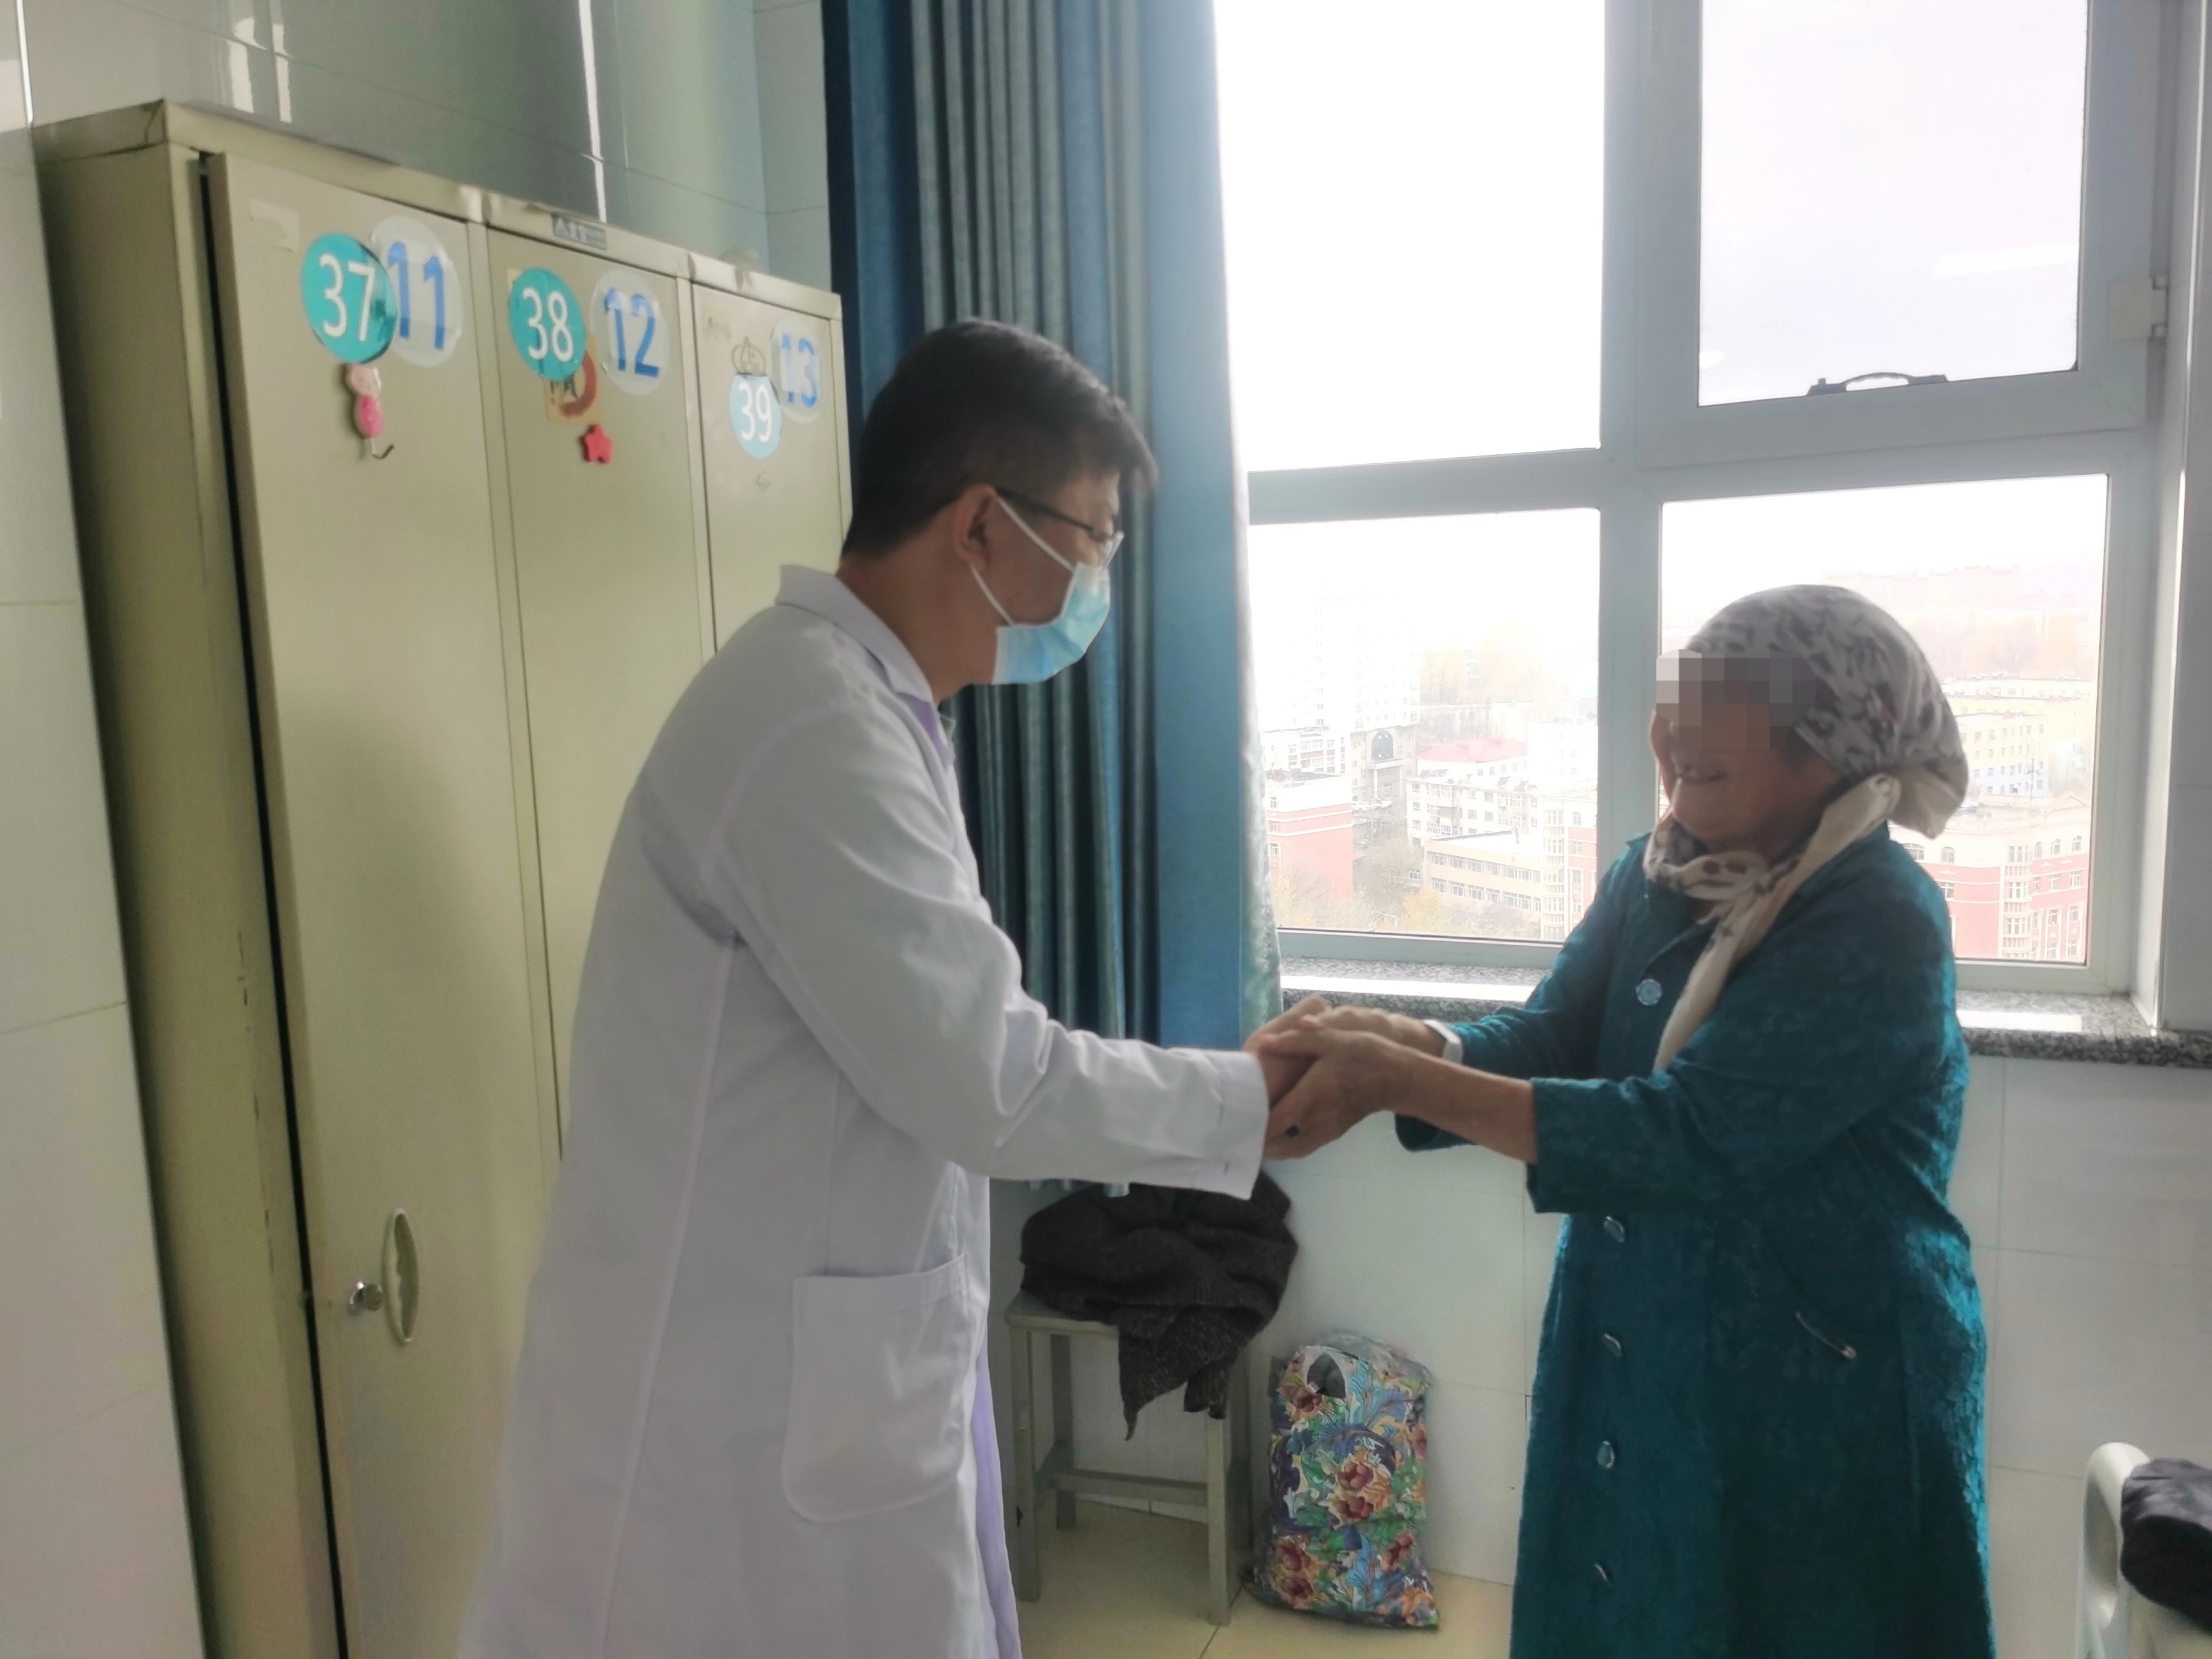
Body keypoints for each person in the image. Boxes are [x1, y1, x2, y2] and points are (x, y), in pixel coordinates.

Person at [463, 320, 1302, 1659]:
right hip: (715, 1446)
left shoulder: (872, 709)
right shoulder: (810, 723)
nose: (1097, 582)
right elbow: (994, 1081)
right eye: (1091, 541)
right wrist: (1256, 1099)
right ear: (980, 526)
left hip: (822, 1384)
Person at [1254, 585, 1994, 1658]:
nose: (1674, 734)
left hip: (1824, 1379)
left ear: (1833, 743)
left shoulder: (1878, 915)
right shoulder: (1655, 877)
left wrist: (1392, 1080)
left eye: (1717, 708)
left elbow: (1686, 1133)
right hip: (1641, 1335)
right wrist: (1409, 1042)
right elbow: (1555, 1036)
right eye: (1672, 705)